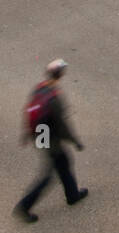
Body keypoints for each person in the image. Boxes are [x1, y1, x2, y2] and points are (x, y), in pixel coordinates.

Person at [14, 59, 88, 222]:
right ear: (60, 75)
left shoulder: (39, 89)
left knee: (63, 164)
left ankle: (73, 195)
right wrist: (75, 141)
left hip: (40, 136)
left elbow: (29, 111)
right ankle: (24, 206)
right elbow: (62, 126)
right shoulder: (55, 98)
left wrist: (26, 134)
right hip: (51, 139)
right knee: (50, 173)